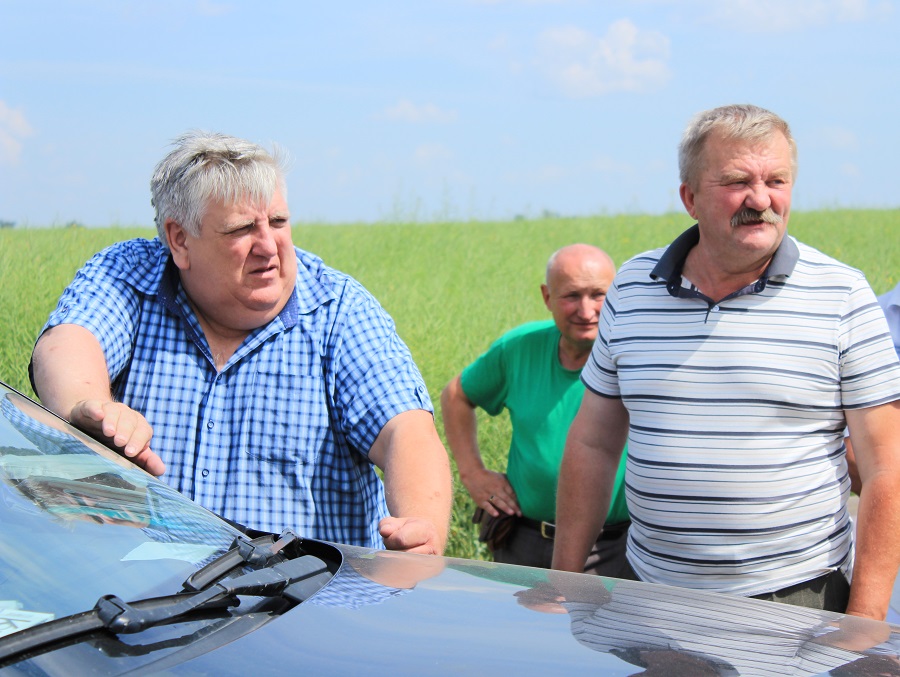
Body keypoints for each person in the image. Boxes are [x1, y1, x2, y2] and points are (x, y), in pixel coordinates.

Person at [552, 104, 900, 621]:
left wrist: (866, 619)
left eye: (776, 181)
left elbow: (887, 468)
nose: (760, 200)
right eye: (738, 182)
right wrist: (562, 579)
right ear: (690, 198)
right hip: (650, 595)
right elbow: (593, 443)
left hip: (794, 601)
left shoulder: (841, 295)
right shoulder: (632, 287)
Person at [29, 131, 452, 554]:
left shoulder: (338, 309)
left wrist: (420, 526)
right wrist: (90, 409)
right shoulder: (129, 274)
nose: (269, 246)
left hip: (305, 593)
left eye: (278, 222)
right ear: (179, 240)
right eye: (242, 229)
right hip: (142, 587)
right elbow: (68, 342)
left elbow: (405, 429)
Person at [441, 244, 629, 573]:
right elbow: (456, 394)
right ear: (547, 296)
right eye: (572, 296)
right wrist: (472, 473)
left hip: (612, 548)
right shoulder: (519, 349)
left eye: (598, 295)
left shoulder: (635, 355)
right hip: (524, 542)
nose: (586, 311)